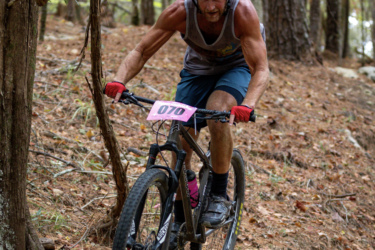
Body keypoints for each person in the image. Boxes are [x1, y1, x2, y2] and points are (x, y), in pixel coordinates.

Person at [104, 0, 268, 247]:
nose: (211, 7)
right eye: (204, 0)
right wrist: (119, 80)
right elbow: (141, 50)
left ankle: (218, 193)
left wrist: (248, 104)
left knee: (217, 110)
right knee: (179, 140)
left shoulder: (242, 12)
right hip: (196, 72)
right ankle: (179, 221)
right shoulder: (180, 12)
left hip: (237, 68)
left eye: (217, 0)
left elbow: (261, 68)